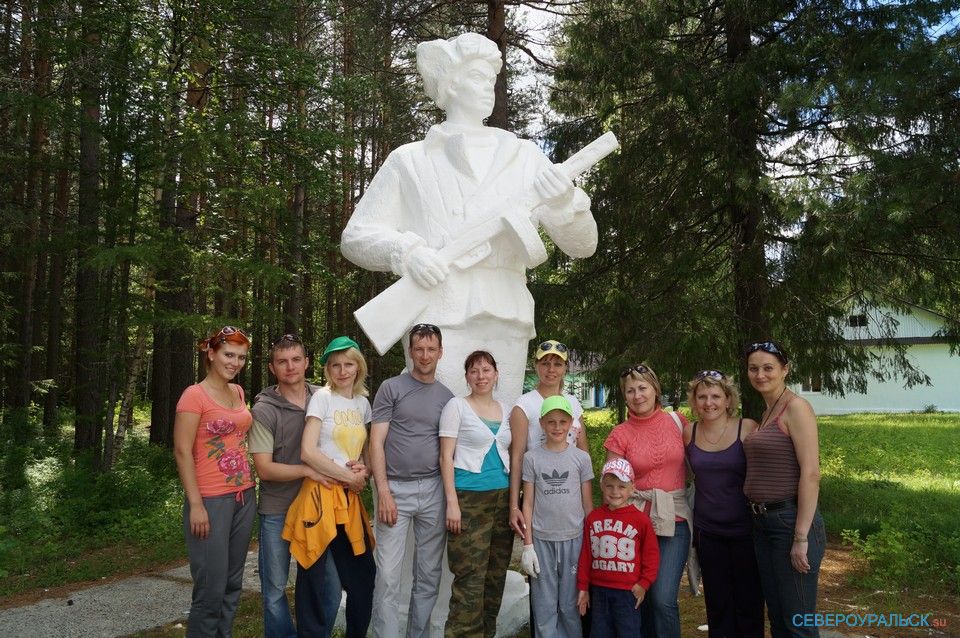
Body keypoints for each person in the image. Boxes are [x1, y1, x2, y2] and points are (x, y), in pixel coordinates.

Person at [340, 32, 598, 401]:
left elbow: (583, 245)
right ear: (451, 83)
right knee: (440, 427)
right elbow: (356, 236)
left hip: (506, 312)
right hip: (440, 312)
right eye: (477, 77)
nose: (488, 88)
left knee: (502, 427)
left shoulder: (524, 156)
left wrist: (562, 204)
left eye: (491, 80)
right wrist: (408, 254)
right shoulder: (409, 159)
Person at [250, 334, 341, 638]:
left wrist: (356, 463)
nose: (290, 367)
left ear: (307, 362)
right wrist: (307, 470)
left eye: (296, 360)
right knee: (275, 590)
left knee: (328, 586)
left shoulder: (325, 398)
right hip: (278, 510)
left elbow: (342, 441)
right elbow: (264, 468)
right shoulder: (264, 410)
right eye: (282, 361)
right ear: (272, 367)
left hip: (319, 509)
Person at [369, 324, 455, 638]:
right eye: (418, 349)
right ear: (410, 351)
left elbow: (450, 450)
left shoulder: (448, 398)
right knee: (389, 576)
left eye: (431, 349)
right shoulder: (391, 388)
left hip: (433, 491)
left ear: (440, 352)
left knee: (428, 575)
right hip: (395, 490)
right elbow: (376, 442)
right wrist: (383, 492)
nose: (424, 355)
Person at [290, 336, 376, 637]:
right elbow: (308, 452)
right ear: (328, 369)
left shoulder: (363, 404)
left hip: (349, 502)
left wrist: (363, 468)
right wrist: (347, 477)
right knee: (313, 579)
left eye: (348, 364)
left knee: (364, 577)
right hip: (320, 499)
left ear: (358, 366)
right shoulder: (322, 398)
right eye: (336, 365)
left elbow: (362, 450)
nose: (342, 371)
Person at [173, 326, 256, 637]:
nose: (235, 363)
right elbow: (182, 450)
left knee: (233, 584)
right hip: (209, 501)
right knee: (210, 589)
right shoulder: (194, 395)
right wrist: (195, 504)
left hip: (244, 497)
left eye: (241, 357)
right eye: (228, 355)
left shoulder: (237, 392)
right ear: (211, 354)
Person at [743, 341, 824, 637]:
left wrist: (801, 537)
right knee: (777, 616)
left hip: (790, 521)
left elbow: (811, 473)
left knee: (798, 622)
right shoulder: (767, 412)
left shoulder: (796, 407)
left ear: (785, 369)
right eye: (754, 368)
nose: (760, 374)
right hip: (762, 524)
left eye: (768, 368)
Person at [604, 363, 690, 638]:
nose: (637, 395)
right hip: (635, 524)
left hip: (674, 520)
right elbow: (611, 485)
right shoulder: (620, 434)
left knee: (663, 598)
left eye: (642, 388)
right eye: (630, 390)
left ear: (655, 389)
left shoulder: (678, 422)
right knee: (640, 596)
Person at [683, 369, 764, 638]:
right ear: (694, 401)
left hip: (746, 531)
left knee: (749, 603)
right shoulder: (689, 433)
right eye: (702, 396)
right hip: (708, 533)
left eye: (716, 396)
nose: (709, 402)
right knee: (718, 605)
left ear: (729, 399)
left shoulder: (748, 428)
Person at [439, 350, 513, 637]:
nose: (480, 376)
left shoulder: (506, 410)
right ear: (467, 376)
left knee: (495, 578)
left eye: (486, 370)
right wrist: (452, 504)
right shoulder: (457, 406)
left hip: (502, 500)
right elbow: (446, 457)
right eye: (474, 371)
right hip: (469, 499)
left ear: (495, 374)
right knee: (470, 579)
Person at [520, 395, 594, 638]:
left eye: (563, 422)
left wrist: (592, 540)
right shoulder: (531, 458)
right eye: (551, 422)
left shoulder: (581, 458)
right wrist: (528, 544)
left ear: (571, 422)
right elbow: (528, 502)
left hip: (574, 539)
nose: (557, 427)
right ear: (542, 423)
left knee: (570, 603)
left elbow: (587, 503)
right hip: (542, 540)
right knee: (544, 604)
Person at [508, 339, 588, 539]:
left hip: (570, 498)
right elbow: (517, 458)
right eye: (545, 363)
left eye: (557, 364)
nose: (551, 369)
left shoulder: (573, 403)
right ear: (535, 365)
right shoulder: (524, 405)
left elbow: (583, 452)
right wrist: (514, 506)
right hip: (539, 494)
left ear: (566, 368)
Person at [576, 458, 659, 636]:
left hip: (628, 592)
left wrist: (644, 584)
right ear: (602, 486)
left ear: (632, 488)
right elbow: (586, 555)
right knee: (599, 633)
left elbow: (651, 556)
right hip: (599, 590)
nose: (615, 492)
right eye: (610, 486)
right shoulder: (593, 518)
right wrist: (583, 586)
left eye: (621, 487)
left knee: (628, 632)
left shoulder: (641, 520)